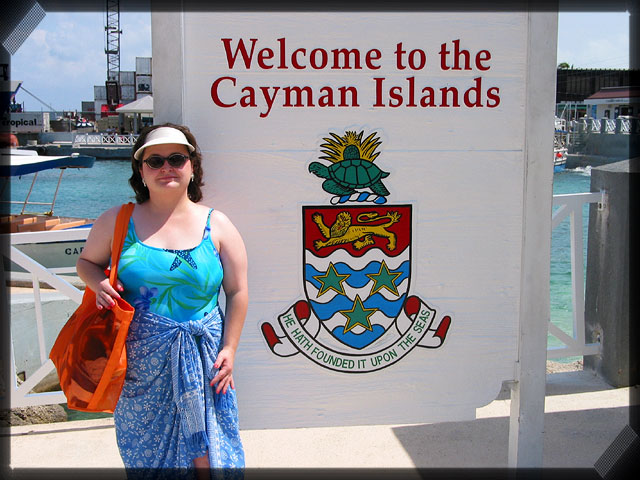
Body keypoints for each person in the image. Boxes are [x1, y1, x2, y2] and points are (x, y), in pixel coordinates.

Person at [76, 124, 247, 478]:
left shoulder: (218, 225)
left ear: (192, 166)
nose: (166, 167)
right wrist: (97, 284)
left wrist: (229, 349)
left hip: (205, 360)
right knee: (148, 458)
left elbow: (237, 290)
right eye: (155, 161)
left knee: (208, 458)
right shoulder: (116, 221)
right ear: (141, 170)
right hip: (141, 366)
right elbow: (86, 263)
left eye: (176, 158)